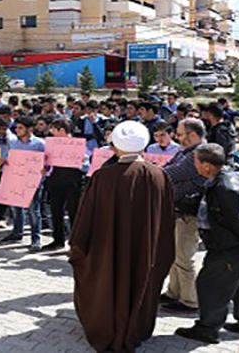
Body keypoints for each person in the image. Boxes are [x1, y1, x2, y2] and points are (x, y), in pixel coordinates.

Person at [70, 121, 175, 352]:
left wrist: (78, 247)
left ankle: (109, 327)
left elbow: (86, 220)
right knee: (140, 282)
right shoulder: (159, 175)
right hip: (144, 249)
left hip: (109, 250)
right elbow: (166, 221)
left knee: (110, 282)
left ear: (115, 146)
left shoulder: (103, 177)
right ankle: (136, 328)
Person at [175, 143, 239, 344]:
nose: (194, 165)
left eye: (196, 161)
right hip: (237, 246)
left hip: (229, 247)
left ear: (207, 165)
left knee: (210, 285)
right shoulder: (223, 179)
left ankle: (207, 328)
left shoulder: (225, 187)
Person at [161, 118, 207, 313]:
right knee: (173, 254)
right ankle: (173, 292)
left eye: (180, 134)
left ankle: (189, 300)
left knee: (184, 258)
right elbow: (168, 166)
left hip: (190, 214)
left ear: (194, 135)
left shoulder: (200, 153)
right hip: (177, 211)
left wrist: (152, 171)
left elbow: (174, 172)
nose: (177, 138)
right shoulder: (185, 151)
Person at [0, 116, 46, 251]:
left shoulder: (40, 144)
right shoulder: (13, 142)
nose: (17, 130)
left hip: (33, 183)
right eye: (16, 127)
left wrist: (44, 170)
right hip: (16, 180)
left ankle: (36, 239)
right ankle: (17, 232)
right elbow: (10, 159)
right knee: (15, 207)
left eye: (20, 128)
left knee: (33, 211)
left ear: (30, 129)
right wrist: (4, 162)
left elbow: (46, 162)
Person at [44, 118, 84, 251]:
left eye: (54, 129)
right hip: (55, 180)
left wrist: (83, 159)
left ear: (62, 130)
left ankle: (76, 243)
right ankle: (58, 240)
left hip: (73, 182)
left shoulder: (78, 144)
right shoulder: (51, 144)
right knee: (56, 211)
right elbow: (48, 163)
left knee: (74, 213)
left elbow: (87, 166)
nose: (52, 132)